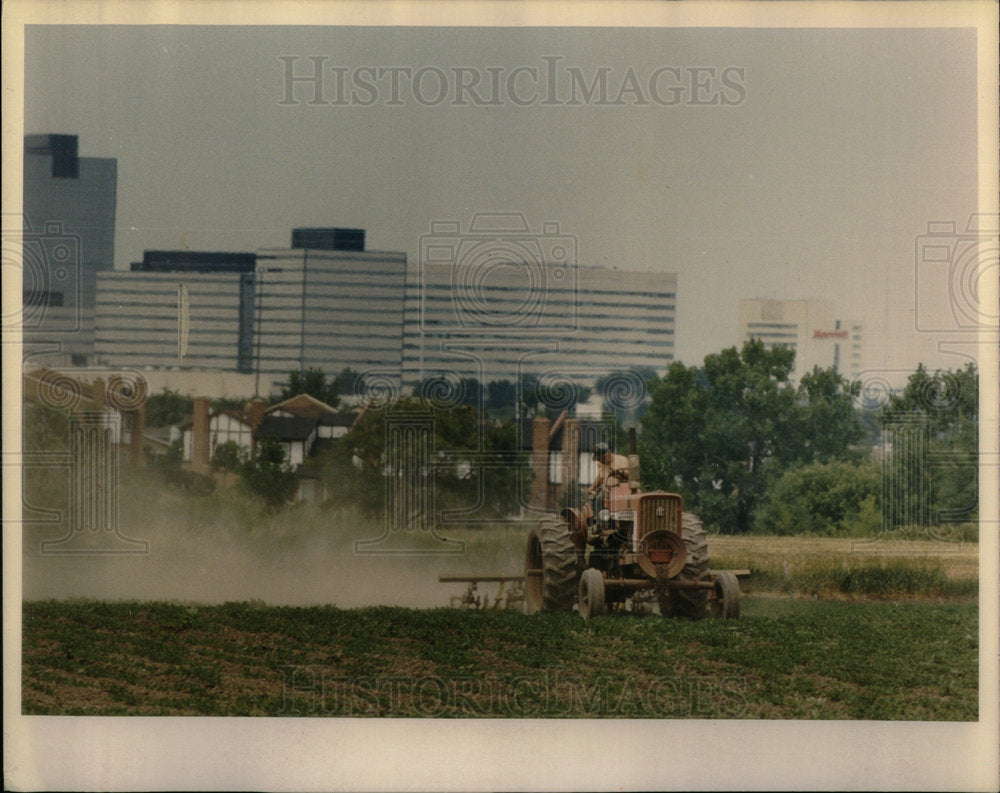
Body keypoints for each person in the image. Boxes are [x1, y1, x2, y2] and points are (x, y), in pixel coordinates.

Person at [585, 442, 630, 514]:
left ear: (607, 454)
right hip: (606, 491)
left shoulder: (622, 460)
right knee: (597, 499)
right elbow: (600, 476)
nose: (598, 461)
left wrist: (621, 472)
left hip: (621, 490)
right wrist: (593, 487)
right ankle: (601, 521)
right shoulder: (600, 464)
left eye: (599, 458)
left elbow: (630, 476)